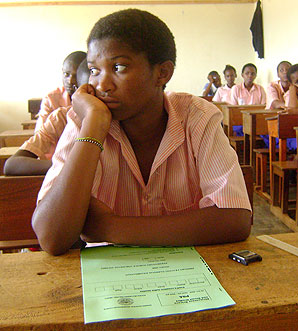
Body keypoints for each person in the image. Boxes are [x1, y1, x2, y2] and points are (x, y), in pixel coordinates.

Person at [32, 9, 252, 256]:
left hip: (192, 276)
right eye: (94, 70)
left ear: (162, 73)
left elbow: (234, 219)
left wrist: (109, 226)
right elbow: (51, 237)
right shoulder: (83, 119)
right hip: (109, 281)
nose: (102, 85)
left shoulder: (197, 118)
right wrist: (93, 127)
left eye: (119, 67)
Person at [4, 59, 90, 176]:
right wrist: (66, 165)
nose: (70, 80)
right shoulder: (61, 117)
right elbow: (11, 165)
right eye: (66, 74)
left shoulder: (119, 123)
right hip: (51, 164)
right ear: (78, 89)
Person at [35, 51, 87, 132]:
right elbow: (40, 133)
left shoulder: (97, 98)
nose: (70, 81)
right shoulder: (51, 99)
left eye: (76, 75)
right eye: (66, 74)